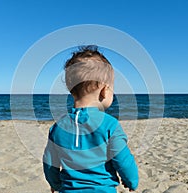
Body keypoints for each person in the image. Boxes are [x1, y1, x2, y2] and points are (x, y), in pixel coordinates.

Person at [43, 45, 139, 193]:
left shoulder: (58, 127)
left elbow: (50, 164)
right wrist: (131, 182)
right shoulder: (110, 125)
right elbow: (123, 161)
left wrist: (55, 184)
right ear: (104, 90)